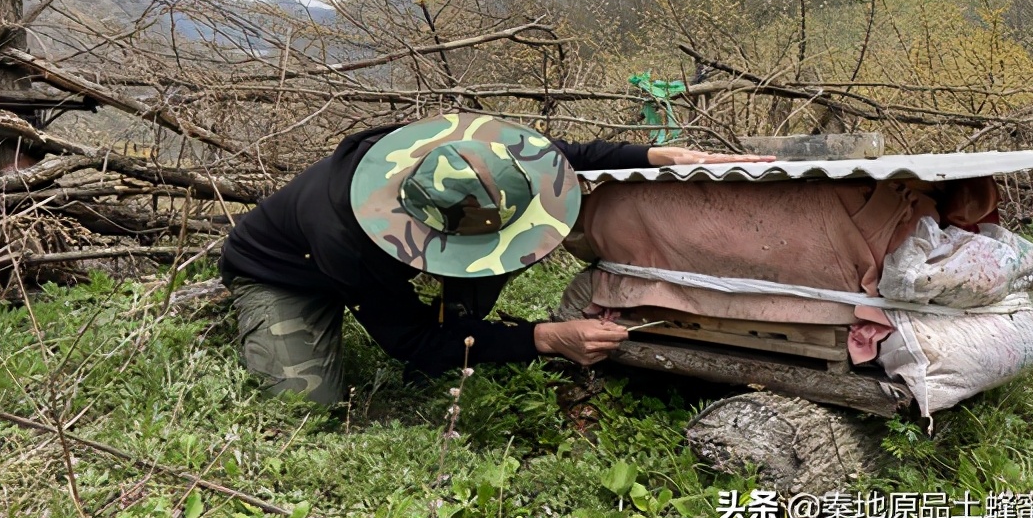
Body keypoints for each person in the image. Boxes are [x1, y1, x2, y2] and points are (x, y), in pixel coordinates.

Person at [219, 113, 774, 405]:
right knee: (307, 405)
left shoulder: (459, 154)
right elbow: (407, 344)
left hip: (375, 253)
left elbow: (558, 158)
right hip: (286, 273)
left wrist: (655, 155)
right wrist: (547, 338)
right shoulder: (348, 239)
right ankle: (263, 323)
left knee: (482, 286)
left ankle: (463, 329)